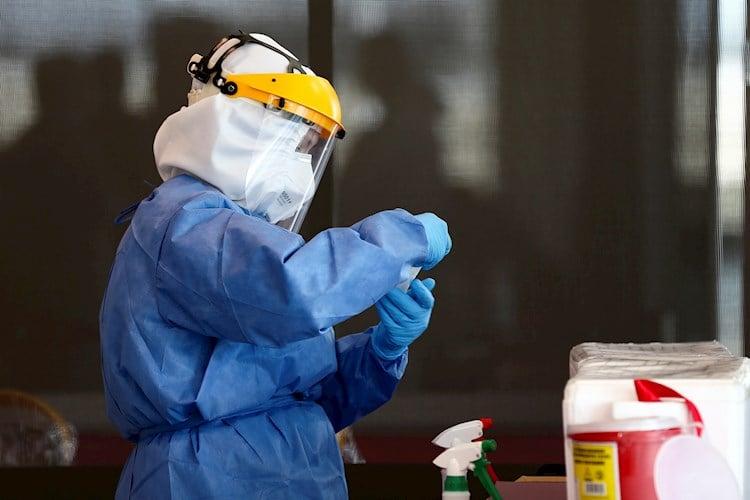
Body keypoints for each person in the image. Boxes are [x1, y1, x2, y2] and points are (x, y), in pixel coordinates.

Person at [100, 33, 451, 499]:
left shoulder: (239, 233)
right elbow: (295, 292)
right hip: (204, 479)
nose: (301, 166)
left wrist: (382, 350)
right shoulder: (183, 222)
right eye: (295, 143)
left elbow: (305, 395)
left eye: (309, 149)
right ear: (241, 122)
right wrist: (402, 237)